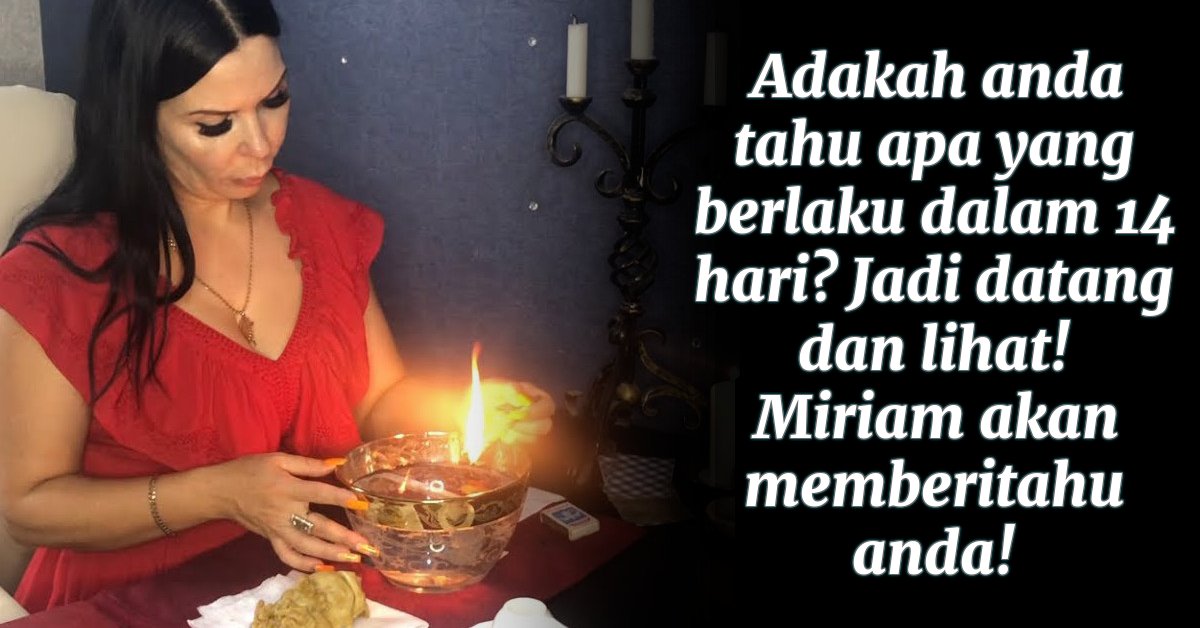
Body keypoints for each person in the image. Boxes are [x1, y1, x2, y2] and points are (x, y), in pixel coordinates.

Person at [0, 0, 552, 613]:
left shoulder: (321, 225)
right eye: (216, 125)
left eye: (274, 99)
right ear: (137, 118)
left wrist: (470, 409)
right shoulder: (57, 276)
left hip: (317, 579)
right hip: (133, 598)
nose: (261, 145)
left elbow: (380, 402)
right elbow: (29, 507)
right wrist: (220, 494)